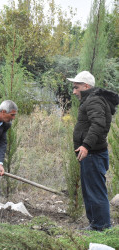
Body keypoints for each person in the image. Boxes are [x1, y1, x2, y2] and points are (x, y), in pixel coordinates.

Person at [67, 71, 119, 231]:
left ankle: (102, 228)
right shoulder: (91, 99)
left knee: (96, 191)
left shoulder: (94, 100)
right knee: (90, 191)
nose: (74, 91)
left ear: (86, 86)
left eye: (76, 88)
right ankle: (95, 225)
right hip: (91, 154)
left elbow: (98, 124)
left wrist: (86, 145)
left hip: (93, 154)